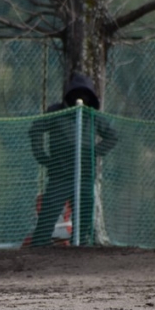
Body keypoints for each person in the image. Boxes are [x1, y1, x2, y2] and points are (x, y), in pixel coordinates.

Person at [28, 72, 117, 247]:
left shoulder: (92, 115)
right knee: (48, 214)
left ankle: (80, 249)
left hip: (84, 174)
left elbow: (112, 136)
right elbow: (35, 129)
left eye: (85, 94)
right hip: (60, 174)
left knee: (84, 217)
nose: (80, 97)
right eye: (77, 93)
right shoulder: (57, 112)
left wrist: (93, 152)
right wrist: (42, 156)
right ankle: (38, 248)